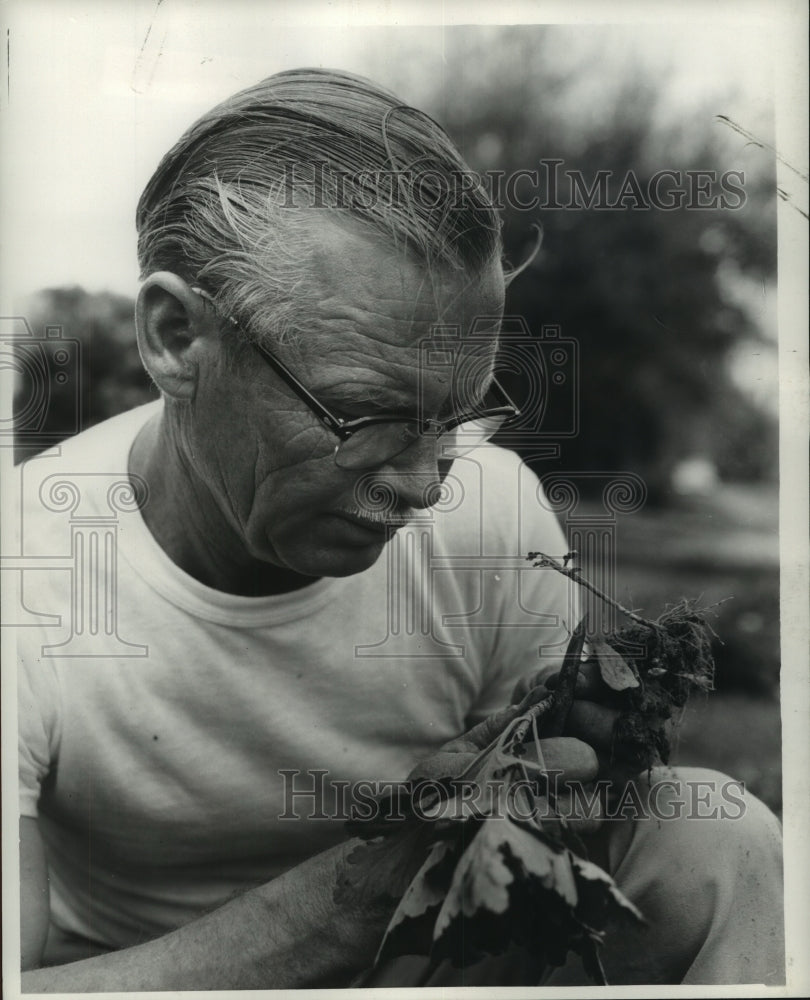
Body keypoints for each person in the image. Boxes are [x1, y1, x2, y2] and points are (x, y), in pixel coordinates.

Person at [16, 68, 783, 991]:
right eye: (364, 416)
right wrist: (336, 916)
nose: (425, 484)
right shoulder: (32, 572)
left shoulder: (494, 514)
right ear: (178, 338)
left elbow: (542, 852)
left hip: (427, 966)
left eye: (456, 416)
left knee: (717, 840)